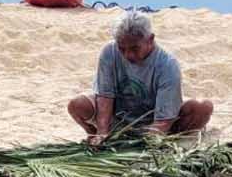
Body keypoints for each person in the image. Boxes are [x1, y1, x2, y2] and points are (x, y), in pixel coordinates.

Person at [67, 9, 213, 145]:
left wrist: (146, 141)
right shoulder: (109, 52)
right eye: (122, 48)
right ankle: (96, 137)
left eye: (134, 48)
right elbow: (105, 96)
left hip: (155, 124)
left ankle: (171, 140)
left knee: (202, 108)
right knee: (77, 105)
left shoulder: (167, 65)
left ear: (150, 40)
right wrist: (103, 132)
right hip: (118, 121)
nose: (128, 55)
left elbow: (164, 119)